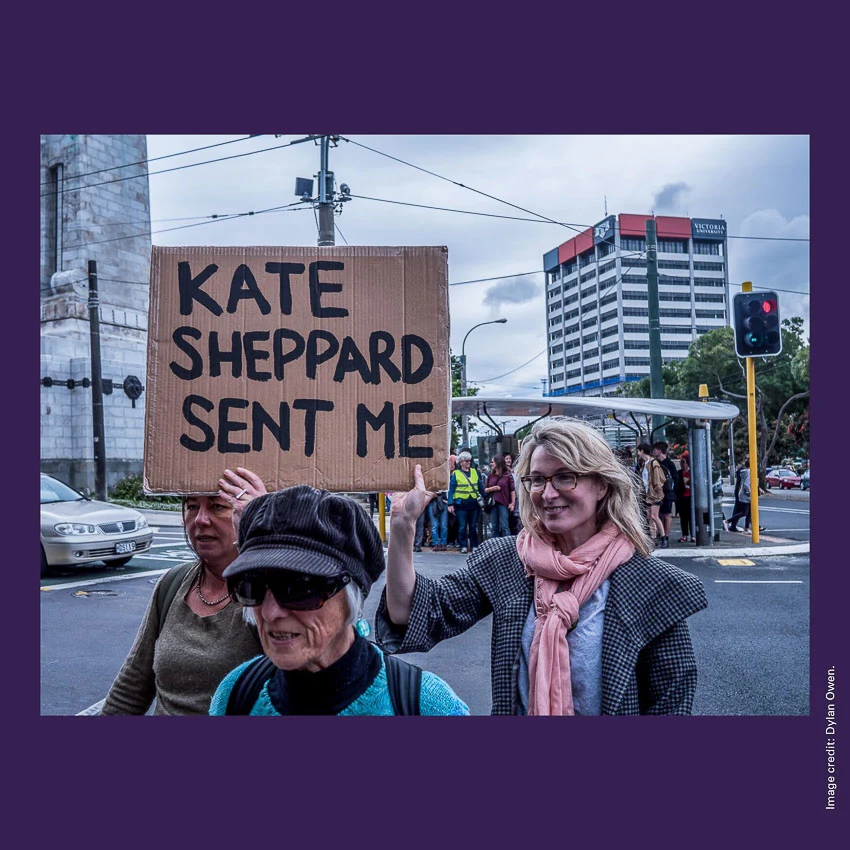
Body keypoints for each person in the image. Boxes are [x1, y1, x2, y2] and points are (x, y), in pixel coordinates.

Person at [378, 417, 708, 715]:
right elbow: (411, 611)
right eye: (536, 480)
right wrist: (404, 526)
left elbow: (671, 704)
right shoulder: (507, 560)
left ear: (602, 484)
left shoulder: (652, 584)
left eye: (565, 477)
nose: (547, 494)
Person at [209, 486, 469, 716]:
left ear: (352, 597)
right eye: (252, 586)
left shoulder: (425, 705)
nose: (269, 611)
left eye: (299, 588)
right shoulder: (236, 693)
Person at [100, 467, 267, 715]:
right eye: (191, 506)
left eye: (217, 507)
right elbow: (131, 687)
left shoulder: (269, 591)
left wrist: (267, 527)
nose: (200, 519)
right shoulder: (172, 583)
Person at [447, 450, 484, 554]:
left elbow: (480, 487)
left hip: (473, 504)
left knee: (473, 526)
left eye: (469, 461)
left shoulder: (475, 472)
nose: (469, 463)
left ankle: (474, 545)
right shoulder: (456, 474)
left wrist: (487, 498)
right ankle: (463, 545)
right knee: (462, 526)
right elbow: (451, 490)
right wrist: (450, 504)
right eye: (466, 461)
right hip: (461, 504)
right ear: (461, 462)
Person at [637, 442, 666, 546]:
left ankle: (663, 537)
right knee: (650, 516)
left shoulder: (653, 463)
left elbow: (657, 480)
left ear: (642, 451)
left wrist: (657, 491)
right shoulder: (644, 464)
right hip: (648, 494)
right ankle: (654, 539)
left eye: (638, 450)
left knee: (654, 516)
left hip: (654, 495)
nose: (637, 453)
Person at [652, 441, 678, 547]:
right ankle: (661, 536)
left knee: (666, 515)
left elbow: (675, 479)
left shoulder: (669, 464)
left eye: (654, 450)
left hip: (666, 493)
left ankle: (665, 537)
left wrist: (671, 490)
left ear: (659, 450)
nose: (653, 452)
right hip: (659, 493)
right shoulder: (656, 463)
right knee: (658, 515)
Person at [484, 454, 515, 538]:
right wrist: (492, 488)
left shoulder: (508, 475)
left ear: (498, 463)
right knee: (494, 526)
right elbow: (485, 490)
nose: (491, 464)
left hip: (504, 503)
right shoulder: (490, 476)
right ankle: (495, 545)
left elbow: (512, 490)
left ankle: (507, 545)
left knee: (505, 525)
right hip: (493, 503)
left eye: (493, 462)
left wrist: (512, 503)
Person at [676, 451, 694, 543]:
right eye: (680, 462)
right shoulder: (679, 473)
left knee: (692, 517)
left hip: (691, 497)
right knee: (683, 517)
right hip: (682, 497)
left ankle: (693, 535)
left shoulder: (692, 473)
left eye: (683, 462)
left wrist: (688, 482)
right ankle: (684, 534)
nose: (681, 464)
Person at [504, 452, 522, 534]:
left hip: (517, 496)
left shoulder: (515, 471)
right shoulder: (504, 472)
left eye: (509, 459)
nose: (508, 460)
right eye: (506, 459)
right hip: (508, 498)